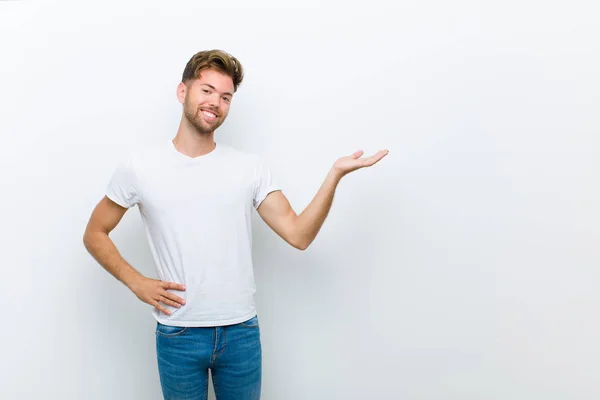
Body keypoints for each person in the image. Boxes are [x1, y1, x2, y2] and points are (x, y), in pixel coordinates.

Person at [82, 49, 388, 400]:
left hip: (240, 334)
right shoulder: (140, 168)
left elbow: (299, 234)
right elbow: (94, 232)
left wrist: (334, 175)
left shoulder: (249, 168)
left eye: (225, 97)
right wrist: (135, 282)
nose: (215, 103)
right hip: (178, 334)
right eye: (207, 90)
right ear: (183, 92)